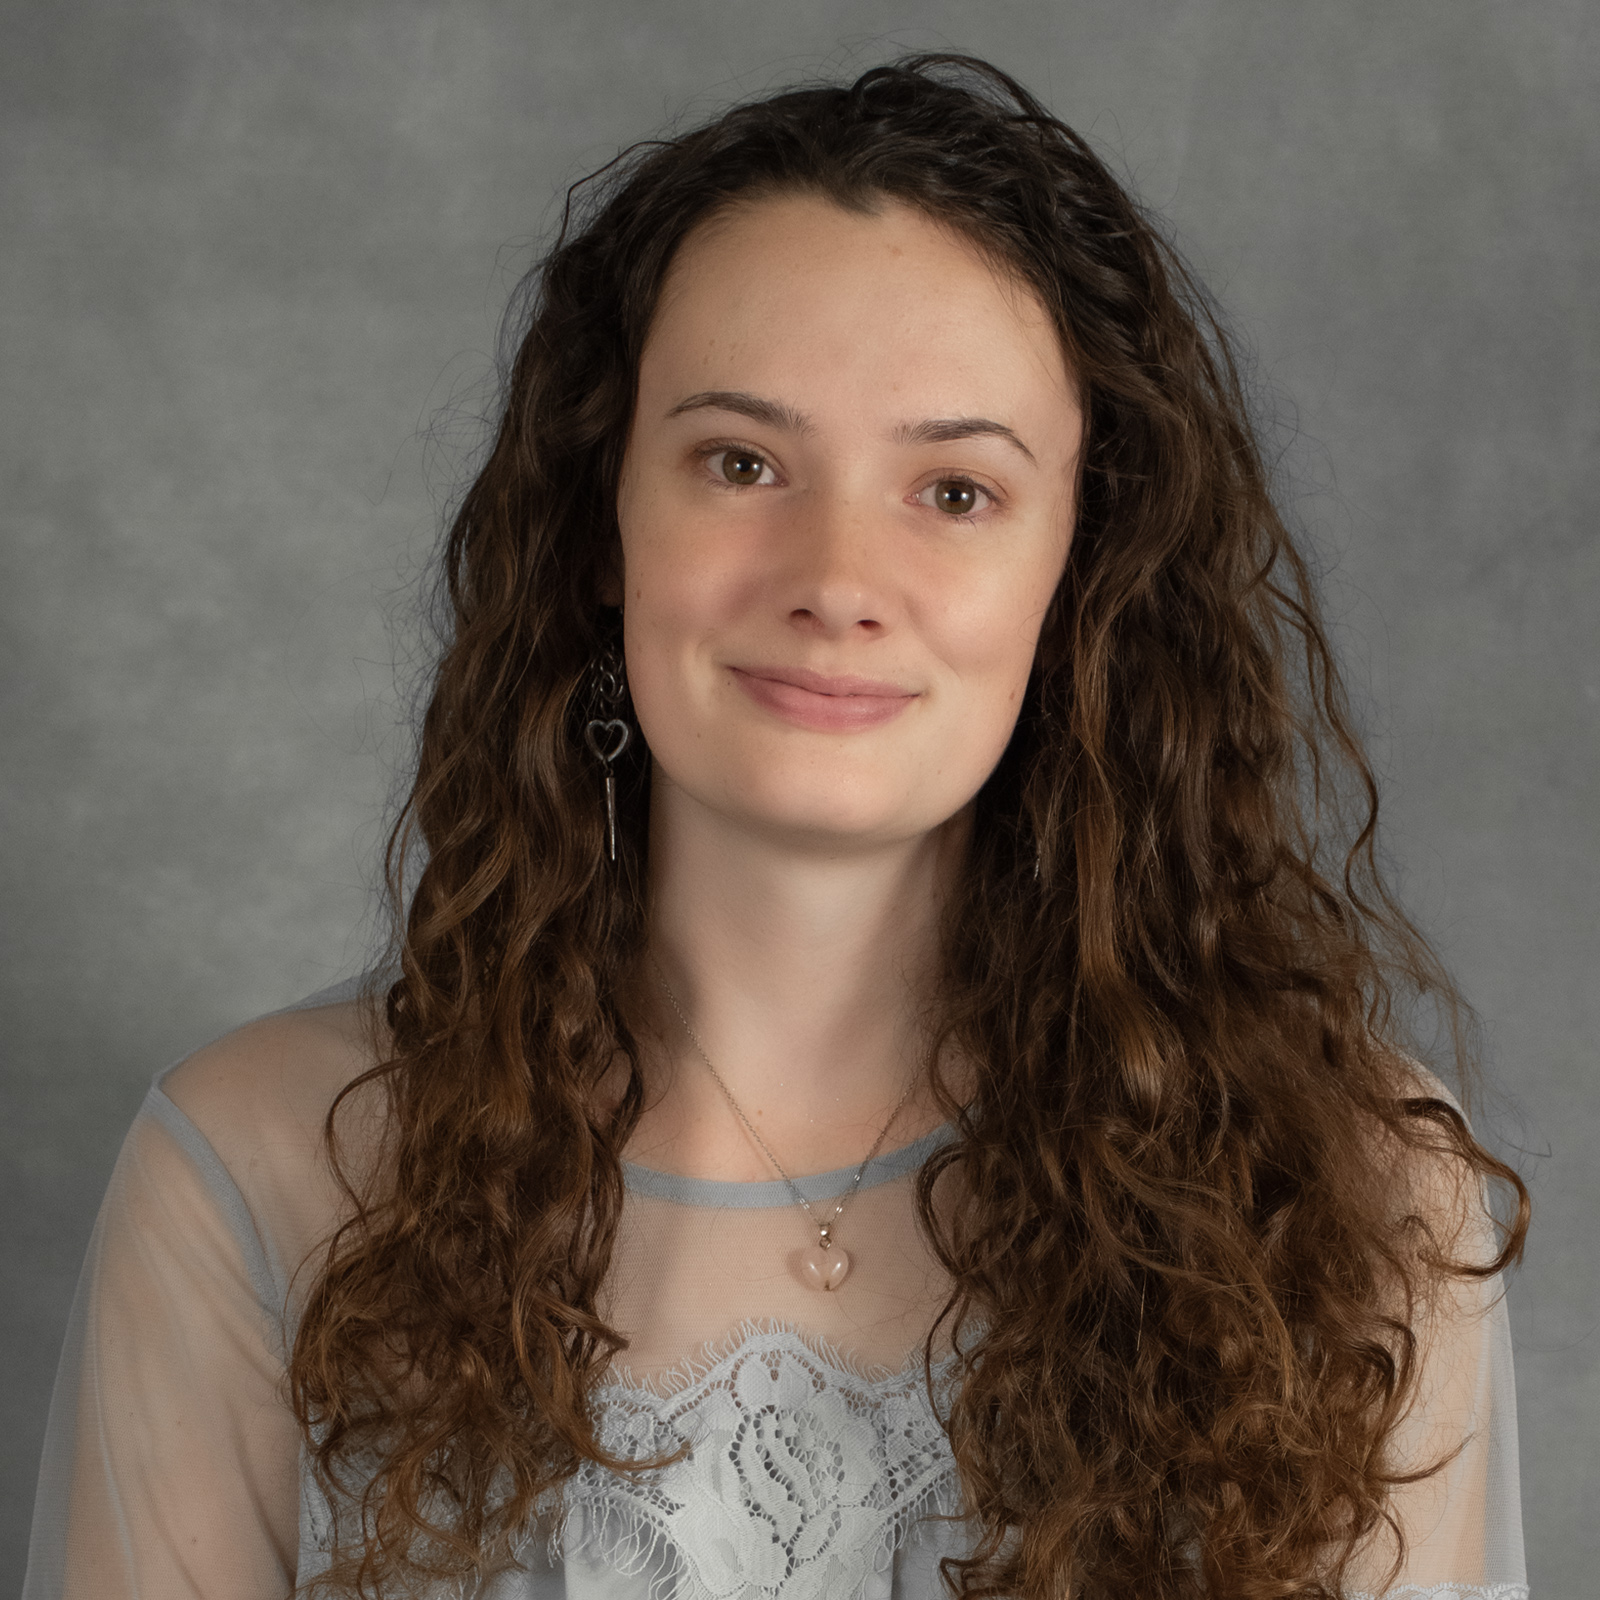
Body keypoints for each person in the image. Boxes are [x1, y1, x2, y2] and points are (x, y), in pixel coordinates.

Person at [23, 54, 1529, 1600]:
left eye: (954, 492)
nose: (834, 577)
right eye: (741, 464)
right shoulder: (258, 1174)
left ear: (1086, 572)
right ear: (602, 524)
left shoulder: (1352, 1209)